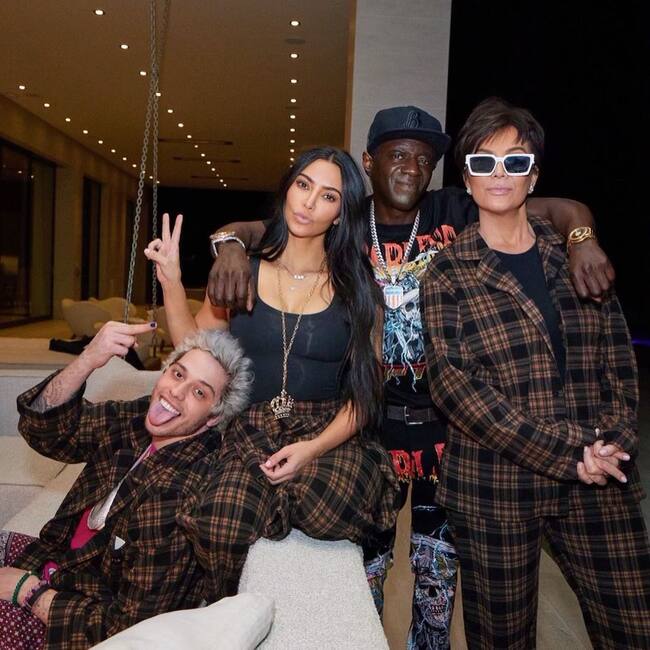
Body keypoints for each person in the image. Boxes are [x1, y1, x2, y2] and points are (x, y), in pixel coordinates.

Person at [197, 106, 616, 648]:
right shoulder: (345, 218)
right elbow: (258, 228)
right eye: (397, 155)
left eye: (423, 159)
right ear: (369, 161)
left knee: (437, 574)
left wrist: (581, 238)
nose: (411, 168)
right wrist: (230, 248)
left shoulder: (456, 209)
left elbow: (562, 209)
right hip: (370, 426)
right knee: (364, 572)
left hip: (446, 427)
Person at [420, 97, 650, 649]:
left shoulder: (576, 258)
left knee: (635, 627)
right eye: (484, 162)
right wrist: (572, 452)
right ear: (467, 180)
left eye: (516, 161)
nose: (500, 174)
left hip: (600, 476)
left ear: (534, 176)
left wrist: (614, 443)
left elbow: (619, 363)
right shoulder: (446, 273)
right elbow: (457, 389)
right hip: (495, 488)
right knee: (502, 639)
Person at [145, 146, 400, 602]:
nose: (309, 202)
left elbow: (366, 396)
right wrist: (171, 281)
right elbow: (196, 351)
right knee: (221, 522)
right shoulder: (241, 270)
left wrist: (310, 450)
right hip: (252, 428)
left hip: (327, 432)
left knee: (332, 498)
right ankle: (228, 613)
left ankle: (275, 511)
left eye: (328, 196)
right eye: (303, 185)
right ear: (287, 190)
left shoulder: (358, 288)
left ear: (341, 213)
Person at [0, 321, 253, 650]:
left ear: (213, 417)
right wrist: (89, 358)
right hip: (56, 561)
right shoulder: (136, 421)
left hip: (72, 620)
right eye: (178, 374)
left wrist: (29, 592)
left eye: (199, 392)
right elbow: (43, 428)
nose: (176, 392)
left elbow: (127, 629)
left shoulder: (178, 498)